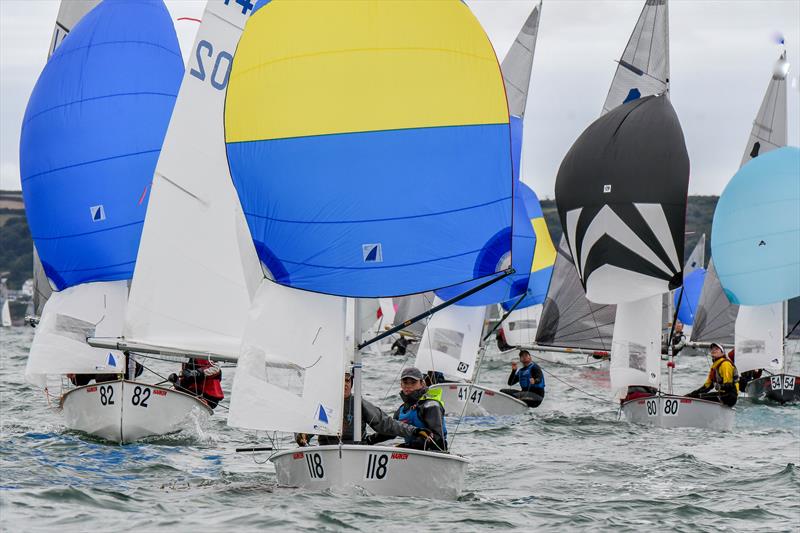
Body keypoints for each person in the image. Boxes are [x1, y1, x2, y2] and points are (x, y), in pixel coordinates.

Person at [295, 371, 425, 446]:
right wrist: (301, 436)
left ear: (351, 383)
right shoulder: (321, 405)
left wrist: (415, 431)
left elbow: (386, 424)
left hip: (356, 451)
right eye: (341, 380)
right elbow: (303, 427)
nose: (345, 385)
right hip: (327, 450)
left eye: (347, 380)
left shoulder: (359, 403)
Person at [368, 367, 447, 451]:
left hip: (434, 454)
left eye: (413, 383)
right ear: (401, 384)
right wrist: (369, 440)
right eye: (405, 383)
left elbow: (437, 437)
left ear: (422, 383)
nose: (408, 386)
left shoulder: (431, 406)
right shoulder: (402, 409)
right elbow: (391, 431)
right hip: (412, 453)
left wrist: (407, 446)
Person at [686, 342, 739, 406]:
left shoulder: (725, 364)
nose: (713, 350)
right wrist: (690, 395)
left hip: (730, 396)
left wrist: (719, 386)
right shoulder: (714, 366)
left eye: (716, 349)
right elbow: (707, 387)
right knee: (695, 397)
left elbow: (729, 385)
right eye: (712, 349)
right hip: (722, 395)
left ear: (722, 352)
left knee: (698, 398)